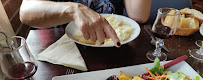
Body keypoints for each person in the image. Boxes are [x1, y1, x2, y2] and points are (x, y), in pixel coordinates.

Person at [20, 0, 151, 48]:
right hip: (66, 50)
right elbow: (26, 12)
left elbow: (139, 15)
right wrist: (74, 9)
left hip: (114, 50)